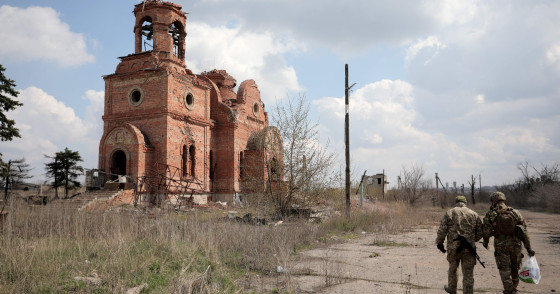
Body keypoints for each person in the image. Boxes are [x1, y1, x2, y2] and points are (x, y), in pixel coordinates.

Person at [482, 192, 535, 294]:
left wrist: (485, 243)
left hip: (501, 247)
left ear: (493, 202)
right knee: (515, 269)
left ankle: (510, 291)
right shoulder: (515, 213)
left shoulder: (491, 214)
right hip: (516, 246)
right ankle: (514, 287)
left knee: (504, 270)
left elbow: (486, 232)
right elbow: (524, 232)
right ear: (504, 201)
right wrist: (528, 248)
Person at [436, 195, 483, 294]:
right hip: (469, 249)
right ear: (465, 203)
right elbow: (479, 233)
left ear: (456, 202)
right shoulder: (474, 214)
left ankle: (452, 290)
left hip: (453, 248)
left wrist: (439, 243)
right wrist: (471, 240)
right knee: (468, 273)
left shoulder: (449, 213)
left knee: (453, 269)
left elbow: (442, 230)